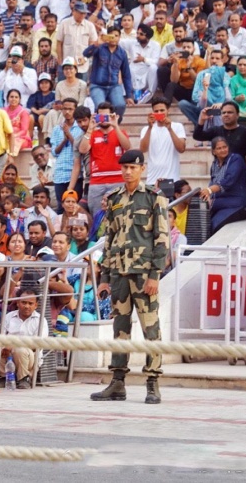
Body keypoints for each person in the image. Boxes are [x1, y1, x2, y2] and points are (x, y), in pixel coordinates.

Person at [92, 150, 169, 405]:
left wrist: (155, 275)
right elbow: (109, 240)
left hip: (143, 274)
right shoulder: (114, 199)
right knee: (120, 329)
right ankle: (117, 382)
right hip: (119, 275)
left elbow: (161, 240)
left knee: (151, 329)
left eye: (132, 168)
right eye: (124, 167)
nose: (127, 172)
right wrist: (104, 275)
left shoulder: (154, 199)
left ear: (142, 169)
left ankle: (152, 382)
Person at [200, 137, 246, 234]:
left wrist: (210, 190)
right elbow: (213, 182)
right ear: (214, 151)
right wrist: (208, 194)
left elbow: (229, 181)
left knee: (214, 224)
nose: (223, 150)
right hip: (226, 202)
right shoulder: (215, 164)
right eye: (219, 148)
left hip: (243, 203)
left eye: (225, 147)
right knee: (204, 220)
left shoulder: (236, 159)